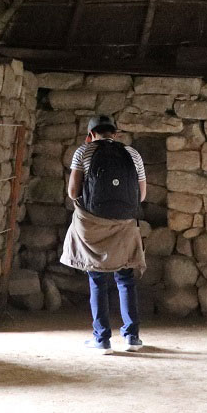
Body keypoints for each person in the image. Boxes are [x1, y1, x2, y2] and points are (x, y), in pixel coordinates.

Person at [59, 115, 146, 353]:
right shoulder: (133, 154)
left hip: (92, 224)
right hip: (125, 225)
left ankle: (102, 339)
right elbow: (141, 195)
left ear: (91, 135)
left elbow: (73, 191)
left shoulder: (83, 152)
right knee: (126, 277)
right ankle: (131, 337)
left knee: (97, 279)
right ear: (115, 134)